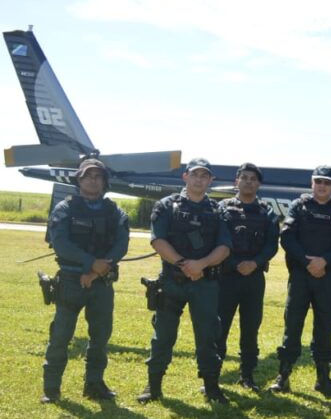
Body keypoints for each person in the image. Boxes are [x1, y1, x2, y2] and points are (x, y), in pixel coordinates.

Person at [139, 157, 232, 404]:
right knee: (163, 335)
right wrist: (183, 264)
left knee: (208, 336)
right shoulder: (166, 206)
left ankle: (212, 388)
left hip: (206, 284)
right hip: (172, 282)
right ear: (185, 177)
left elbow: (224, 247)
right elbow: (158, 241)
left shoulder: (218, 210)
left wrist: (200, 265)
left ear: (210, 180)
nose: (199, 180)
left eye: (204, 176)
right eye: (195, 175)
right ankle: (153, 386)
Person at [41, 158, 130, 403]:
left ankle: (94, 384)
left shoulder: (115, 211)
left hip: (101, 283)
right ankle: (51, 388)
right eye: (88, 176)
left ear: (104, 182)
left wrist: (97, 271)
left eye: (98, 176)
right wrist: (92, 263)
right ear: (79, 180)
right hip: (70, 281)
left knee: (100, 337)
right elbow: (60, 244)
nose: (93, 180)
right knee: (60, 335)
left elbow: (121, 245)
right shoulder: (64, 209)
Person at [270, 166, 331, 398]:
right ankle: (283, 376)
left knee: (325, 326)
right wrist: (307, 262)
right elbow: (286, 237)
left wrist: (325, 261)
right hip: (300, 275)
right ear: (311, 183)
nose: (322, 186)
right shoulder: (300, 206)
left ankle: (323, 379)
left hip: (326, 276)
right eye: (318, 182)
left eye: (327, 183)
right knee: (293, 324)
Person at [216, 163, 279, 392]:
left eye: (253, 178)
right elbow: (218, 240)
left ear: (259, 183)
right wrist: (234, 264)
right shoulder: (222, 208)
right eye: (244, 177)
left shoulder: (266, 211)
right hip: (226, 277)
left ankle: (247, 375)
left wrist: (253, 263)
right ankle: (213, 375)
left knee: (250, 328)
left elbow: (272, 244)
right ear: (237, 181)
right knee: (219, 327)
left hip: (253, 278)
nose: (248, 181)